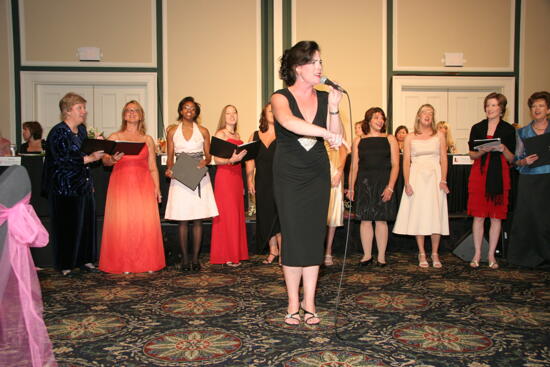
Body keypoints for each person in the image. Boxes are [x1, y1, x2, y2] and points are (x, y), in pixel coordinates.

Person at [271, 40, 343, 325]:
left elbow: (336, 138)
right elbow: (289, 122)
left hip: (316, 171)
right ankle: (292, 302)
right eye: (313, 62)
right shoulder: (280, 97)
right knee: (293, 235)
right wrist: (326, 132)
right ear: (297, 68)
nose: (320, 67)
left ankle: (309, 302)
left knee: (314, 236)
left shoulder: (325, 98)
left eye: (321, 62)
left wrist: (334, 108)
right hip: (288, 173)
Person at [98, 101, 165, 274]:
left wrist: (157, 188)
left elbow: (152, 166)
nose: (132, 113)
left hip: (143, 184)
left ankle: (148, 262)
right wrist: (112, 159)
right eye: (128, 110)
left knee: (144, 223)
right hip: (121, 185)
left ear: (141, 115)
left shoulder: (147, 139)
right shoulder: (114, 136)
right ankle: (123, 263)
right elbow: (104, 160)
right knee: (123, 223)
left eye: (135, 110)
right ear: (124, 115)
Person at [42, 92, 105, 276]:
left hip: (82, 185)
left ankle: (85, 260)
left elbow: (85, 156)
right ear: (68, 111)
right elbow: (63, 160)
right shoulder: (58, 132)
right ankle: (66, 264)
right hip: (64, 187)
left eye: (84, 108)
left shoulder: (82, 131)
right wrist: (90, 158)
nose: (84, 112)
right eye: (80, 108)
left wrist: (96, 151)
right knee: (66, 226)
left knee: (86, 224)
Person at [165, 97, 218, 272]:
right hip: (181, 174)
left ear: (196, 112)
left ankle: (195, 259)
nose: (189, 111)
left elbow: (209, 155)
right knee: (182, 219)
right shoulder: (172, 131)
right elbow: (170, 157)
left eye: (193, 109)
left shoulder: (203, 131)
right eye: (186, 108)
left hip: (198, 173)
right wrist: (169, 170)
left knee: (197, 219)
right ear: (180, 110)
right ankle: (185, 260)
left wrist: (205, 161)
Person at [393, 104, 449, 268]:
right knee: (419, 214)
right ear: (418, 116)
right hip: (417, 177)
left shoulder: (439, 135)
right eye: (424, 112)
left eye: (431, 113)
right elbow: (406, 161)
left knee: (435, 214)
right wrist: (407, 182)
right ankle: (422, 252)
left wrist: (443, 179)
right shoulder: (410, 137)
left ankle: (435, 252)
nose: (427, 115)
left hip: (435, 177)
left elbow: (444, 159)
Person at [467, 93, 516, 269]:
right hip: (480, 172)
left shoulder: (508, 130)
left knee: (496, 217)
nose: (490, 108)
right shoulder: (477, 127)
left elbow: (512, 159)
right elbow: (472, 154)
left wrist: (502, 148)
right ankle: (477, 254)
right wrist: (483, 150)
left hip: (500, 174)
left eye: (494, 105)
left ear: (501, 109)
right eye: (488, 105)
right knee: (479, 216)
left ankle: (491, 256)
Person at [348, 107, 399, 267]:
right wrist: (351, 187)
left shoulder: (390, 139)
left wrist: (390, 187)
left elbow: (396, 165)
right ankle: (367, 255)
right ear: (368, 120)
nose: (380, 120)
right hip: (364, 184)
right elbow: (354, 167)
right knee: (365, 220)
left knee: (381, 220)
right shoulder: (358, 140)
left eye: (382, 117)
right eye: (376, 117)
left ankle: (381, 257)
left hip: (383, 183)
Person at [508, 91, 550, 268]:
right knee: (528, 217)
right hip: (528, 178)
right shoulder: (523, 132)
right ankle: (525, 258)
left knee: (546, 218)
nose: (537, 109)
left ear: (548, 109)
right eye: (533, 106)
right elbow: (516, 160)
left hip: (548, 178)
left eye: (541, 106)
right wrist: (523, 161)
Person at [210, 105, 249, 267]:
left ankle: (236, 253)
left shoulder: (238, 135)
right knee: (227, 215)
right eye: (228, 113)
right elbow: (216, 160)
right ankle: (226, 255)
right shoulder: (220, 134)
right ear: (223, 116)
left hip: (236, 177)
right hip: (224, 177)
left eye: (234, 113)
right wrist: (231, 160)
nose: (232, 116)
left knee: (236, 215)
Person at [245, 103, 281, 264]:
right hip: (262, 181)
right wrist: (249, 179)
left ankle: (285, 254)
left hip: (281, 181)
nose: (273, 113)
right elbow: (250, 160)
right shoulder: (254, 135)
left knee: (280, 217)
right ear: (264, 115)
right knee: (266, 215)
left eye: (275, 111)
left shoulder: (284, 133)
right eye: (269, 111)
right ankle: (273, 251)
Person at [324, 141, 348, 266]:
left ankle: (328, 250)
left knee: (332, 213)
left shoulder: (336, 131)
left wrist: (339, 173)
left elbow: (343, 152)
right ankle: (316, 250)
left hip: (334, 173)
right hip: (315, 173)